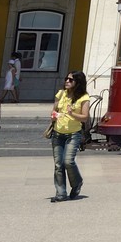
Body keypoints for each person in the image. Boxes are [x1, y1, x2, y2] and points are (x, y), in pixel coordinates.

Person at [49, 71, 92, 202]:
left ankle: (77, 183)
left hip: (73, 134)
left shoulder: (83, 97)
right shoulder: (61, 94)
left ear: (77, 83)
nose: (66, 81)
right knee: (58, 164)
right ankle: (61, 193)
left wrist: (72, 114)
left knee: (68, 161)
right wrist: (54, 114)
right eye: (66, 79)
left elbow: (85, 118)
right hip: (58, 133)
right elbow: (54, 110)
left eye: (70, 80)